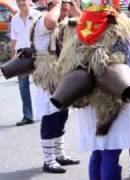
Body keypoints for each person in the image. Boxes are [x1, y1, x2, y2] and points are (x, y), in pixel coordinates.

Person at [55, 0, 130, 179]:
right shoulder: (120, 23)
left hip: (84, 95)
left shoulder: (75, 24)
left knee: (97, 153)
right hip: (114, 95)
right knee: (110, 154)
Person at [29, 0, 81, 173]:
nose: (65, 14)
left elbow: (83, 21)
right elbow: (51, 21)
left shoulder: (64, 24)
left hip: (61, 74)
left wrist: (72, 6)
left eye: (67, 11)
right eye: (62, 10)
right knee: (50, 116)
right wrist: (58, 4)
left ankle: (60, 155)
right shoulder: (42, 20)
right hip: (48, 75)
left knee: (61, 116)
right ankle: (48, 160)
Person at [10, 0, 40, 126]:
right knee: (23, 87)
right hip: (21, 56)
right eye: (18, 1)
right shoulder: (15, 19)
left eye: (23, 0)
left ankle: (50, 111)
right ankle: (28, 116)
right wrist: (13, 57)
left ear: (28, 1)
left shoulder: (38, 15)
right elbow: (14, 38)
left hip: (37, 54)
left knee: (43, 85)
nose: (21, 3)